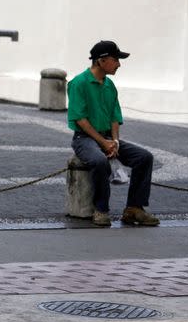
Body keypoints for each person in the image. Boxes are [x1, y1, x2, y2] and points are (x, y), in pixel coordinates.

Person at [67, 40, 159, 228]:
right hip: (84, 139)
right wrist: (103, 142)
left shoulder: (110, 85)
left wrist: (115, 141)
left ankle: (134, 208)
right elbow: (80, 120)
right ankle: (101, 209)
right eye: (115, 59)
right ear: (101, 61)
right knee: (100, 161)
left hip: (107, 138)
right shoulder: (78, 83)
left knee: (144, 157)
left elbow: (115, 117)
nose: (119, 64)